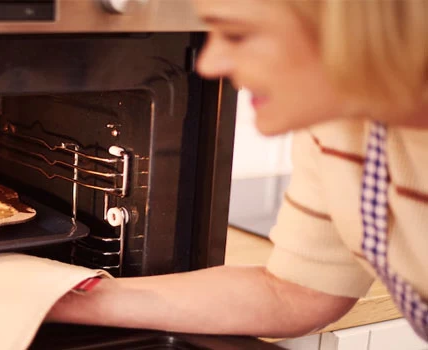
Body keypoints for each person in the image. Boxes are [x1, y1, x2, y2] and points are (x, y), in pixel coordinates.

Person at [46, 0, 428, 341]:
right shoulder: (338, 129)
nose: (210, 65)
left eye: (237, 33)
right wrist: (51, 299)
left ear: (360, 23)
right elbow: (294, 293)